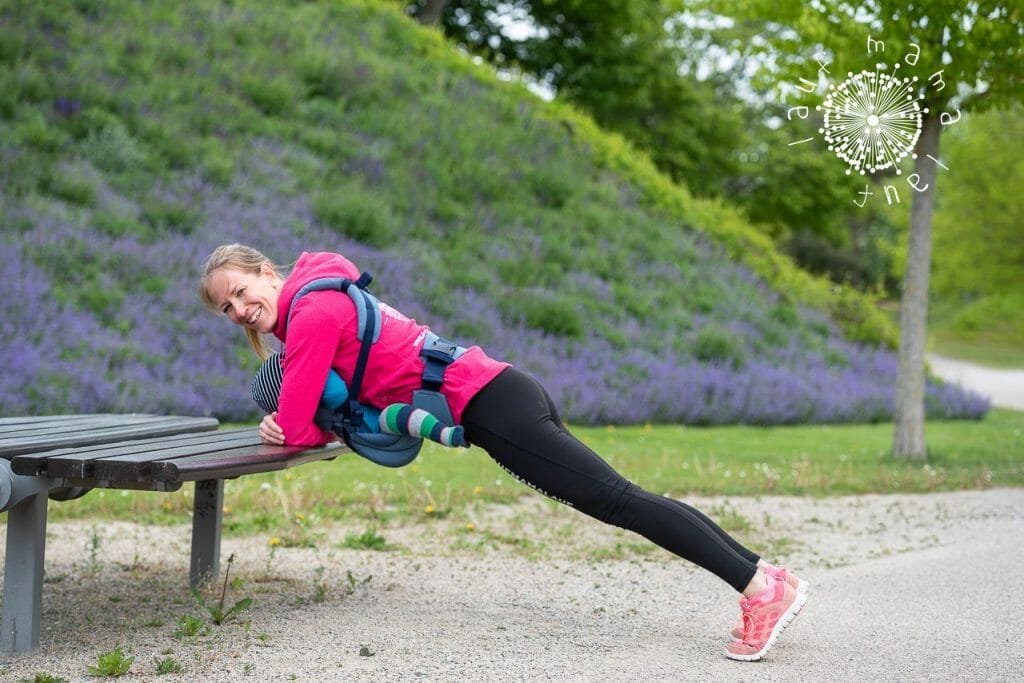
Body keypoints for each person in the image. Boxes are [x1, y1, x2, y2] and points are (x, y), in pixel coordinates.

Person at [199, 244, 807, 661]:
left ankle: (760, 587)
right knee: (622, 497)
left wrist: (280, 426)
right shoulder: (315, 294)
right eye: (225, 308)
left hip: (488, 404)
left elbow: (303, 430)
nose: (238, 311)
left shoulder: (309, 315)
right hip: (496, 391)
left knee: (619, 501)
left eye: (240, 292)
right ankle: (766, 578)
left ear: (264, 271)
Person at [251, 351, 466, 447]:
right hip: (370, 425)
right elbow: (337, 393)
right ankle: (445, 434)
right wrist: (314, 366)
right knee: (398, 416)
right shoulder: (321, 391)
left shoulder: (312, 417)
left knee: (405, 415)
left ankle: (448, 432)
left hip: (362, 420)